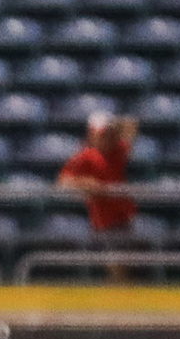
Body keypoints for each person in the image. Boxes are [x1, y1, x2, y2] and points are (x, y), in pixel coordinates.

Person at [57, 112, 139, 282]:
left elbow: (132, 125)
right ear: (92, 135)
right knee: (116, 263)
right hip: (105, 219)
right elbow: (63, 181)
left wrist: (115, 125)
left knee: (126, 264)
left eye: (109, 134)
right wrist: (85, 183)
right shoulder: (86, 155)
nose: (106, 139)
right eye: (102, 135)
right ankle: (116, 298)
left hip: (124, 216)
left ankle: (120, 297)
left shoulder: (118, 149)